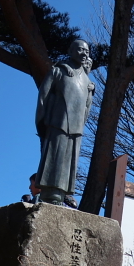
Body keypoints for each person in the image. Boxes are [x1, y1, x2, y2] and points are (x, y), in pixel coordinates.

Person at [35, 39, 94, 205]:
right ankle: (50, 193)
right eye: (80, 50)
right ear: (70, 51)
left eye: (87, 51)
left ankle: (60, 194)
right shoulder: (58, 71)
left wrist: (90, 92)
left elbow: (85, 107)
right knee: (55, 156)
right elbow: (43, 97)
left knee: (69, 161)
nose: (84, 54)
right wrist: (43, 122)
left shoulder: (87, 80)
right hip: (58, 122)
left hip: (76, 126)